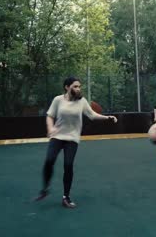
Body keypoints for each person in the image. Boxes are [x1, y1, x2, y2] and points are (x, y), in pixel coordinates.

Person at [35, 76, 118, 208]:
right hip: (57, 136)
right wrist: (50, 128)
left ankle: (66, 197)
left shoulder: (82, 101)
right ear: (67, 87)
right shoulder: (58, 100)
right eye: (75, 86)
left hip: (72, 138)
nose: (78, 89)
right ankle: (45, 188)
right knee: (49, 160)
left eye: (79, 86)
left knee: (68, 165)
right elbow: (50, 116)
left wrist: (107, 117)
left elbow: (92, 115)